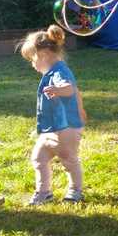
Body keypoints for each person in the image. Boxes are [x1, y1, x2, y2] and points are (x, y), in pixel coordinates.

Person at [20, 25, 87, 205]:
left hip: (66, 127)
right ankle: (44, 192)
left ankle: (75, 190)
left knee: (68, 159)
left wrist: (57, 90)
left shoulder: (59, 71)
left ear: (43, 55)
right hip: (51, 129)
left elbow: (69, 88)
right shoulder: (51, 72)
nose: (32, 64)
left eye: (32, 59)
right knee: (38, 158)